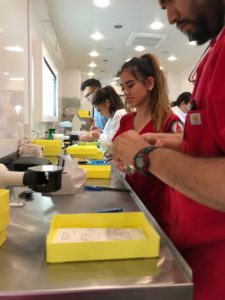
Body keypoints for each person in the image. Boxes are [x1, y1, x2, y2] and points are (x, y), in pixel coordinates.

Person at [112, 1, 225, 299]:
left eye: (171, 0)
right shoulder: (216, 50)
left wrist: (146, 155)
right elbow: (207, 145)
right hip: (191, 253)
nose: (170, 16)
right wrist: (161, 142)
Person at [112, 53, 184, 229]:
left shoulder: (169, 121)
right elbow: (116, 150)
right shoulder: (126, 120)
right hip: (131, 199)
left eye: (130, 85)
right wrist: (118, 159)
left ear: (149, 83)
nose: (125, 93)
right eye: (123, 87)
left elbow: (181, 163)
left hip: (158, 207)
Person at [80, 85, 126, 149]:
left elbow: (114, 142)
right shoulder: (112, 116)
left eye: (99, 109)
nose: (101, 114)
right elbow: (110, 134)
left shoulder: (120, 114)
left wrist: (97, 135)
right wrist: (100, 131)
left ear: (107, 102)